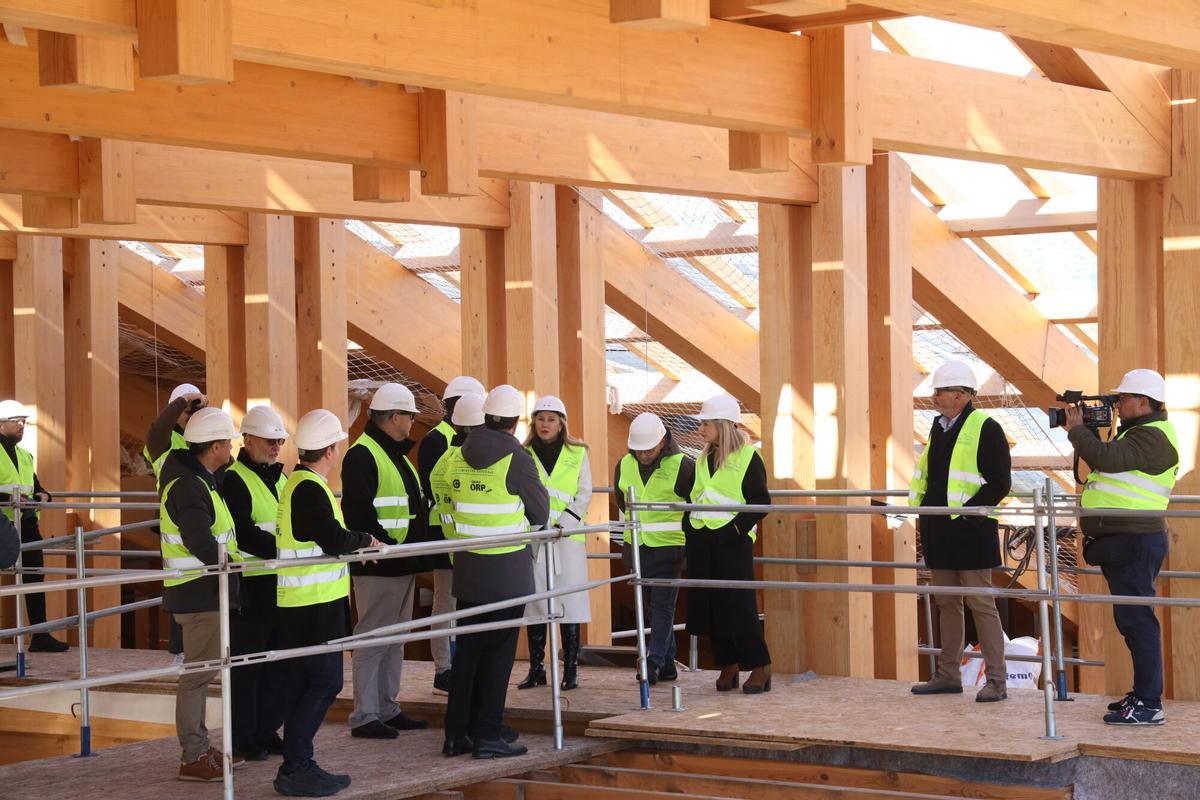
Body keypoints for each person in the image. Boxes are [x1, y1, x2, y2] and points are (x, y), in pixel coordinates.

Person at [274, 409, 384, 797]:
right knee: (325, 682)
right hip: (312, 605)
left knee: (305, 684)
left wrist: (356, 542)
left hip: (306, 602)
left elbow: (328, 536)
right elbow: (332, 538)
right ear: (332, 450)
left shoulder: (301, 483)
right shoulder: (308, 488)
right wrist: (365, 542)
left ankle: (297, 763)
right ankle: (296, 766)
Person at [442, 385, 548, 759]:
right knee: (499, 657)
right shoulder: (517, 459)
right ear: (516, 423)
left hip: (469, 569)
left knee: (468, 654)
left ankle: (456, 734)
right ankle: (487, 735)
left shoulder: (458, 454)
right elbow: (540, 512)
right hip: (506, 572)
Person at [1067, 368, 1177, 726]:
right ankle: (1142, 695)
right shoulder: (1140, 434)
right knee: (1131, 620)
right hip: (1128, 540)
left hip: (1136, 540)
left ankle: (1149, 703)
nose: (1116, 405)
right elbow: (1110, 460)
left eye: (1121, 399)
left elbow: (1106, 459)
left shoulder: (1151, 437)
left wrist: (1078, 431)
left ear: (1142, 402)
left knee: (1138, 621)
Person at [909, 359, 1012, 704]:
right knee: (947, 603)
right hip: (940, 531)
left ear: (959, 395)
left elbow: (999, 482)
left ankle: (997, 681)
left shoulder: (986, 427)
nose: (934, 396)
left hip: (971, 532)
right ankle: (948, 674)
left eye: (939, 391)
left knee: (981, 604)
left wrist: (967, 515)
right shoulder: (939, 428)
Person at [157, 407, 246, 781]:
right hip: (199, 594)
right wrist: (230, 566)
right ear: (213, 446)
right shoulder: (191, 485)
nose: (231, 448)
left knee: (200, 673)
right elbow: (200, 540)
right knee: (196, 676)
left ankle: (198, 749)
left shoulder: (196, 479)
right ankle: (193, 755)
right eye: (227, 442)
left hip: (197, 592)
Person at [342, 383, 429, 739]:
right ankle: (365, 715)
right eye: (409, 415)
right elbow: (359, 514)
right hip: (379, 564)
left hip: (399, 562)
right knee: (373, 637)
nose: (412, 422)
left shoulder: (392, 454)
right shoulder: (363, 455)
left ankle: (386, 707)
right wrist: (389, 547)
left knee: (395, 638)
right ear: (394, 417)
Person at [685, 393, 772, 694]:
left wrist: (735, 529)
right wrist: (690, 526)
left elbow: (760, 501)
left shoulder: (749, 456)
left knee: (739, 605)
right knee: (711, 605)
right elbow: (698, 496)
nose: (701, 429)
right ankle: (728, 664)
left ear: (722, 424)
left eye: (706, 423)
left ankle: (760, 666)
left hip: (731, 542)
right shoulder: (701, 457)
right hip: (702, 538)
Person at [222, 405, 290, 761]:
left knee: (277, 664)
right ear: (247, 440)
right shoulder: (234, 480)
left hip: (279, 584)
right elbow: (245, 535)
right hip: (251, 586)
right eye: (269, 441)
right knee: (248, 668)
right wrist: (286, 548)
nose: (276, 446)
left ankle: (266, 730)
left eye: (279, 440)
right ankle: (244, 738)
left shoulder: (280, 478)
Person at [417, 375, 486, 695]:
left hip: (466, 535)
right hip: (445, 535)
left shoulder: (469, 438)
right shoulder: (438, 440)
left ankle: (462, 667)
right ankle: (444, 669)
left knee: (464, 603)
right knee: (445, 604)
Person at [519, 395, 592, 692]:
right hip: (536, 536)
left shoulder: (578, 452)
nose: (545, 424)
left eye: (551, 419)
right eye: (540, 418)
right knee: (535, 604)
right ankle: (537, 668)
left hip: (568, 538)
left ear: (561, 423)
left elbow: (584, 493)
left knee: (569, 603)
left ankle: (570, 670)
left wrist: (566, 523)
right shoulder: (522, 453)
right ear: (534, 422)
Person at [615, 412, 694, 685]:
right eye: (639, 450)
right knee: (650, 606)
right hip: (637, 547)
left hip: (670, 548)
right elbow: (622, 504)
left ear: (662, 441)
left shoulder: (683, 465)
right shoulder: (624, 464)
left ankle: (654, 661)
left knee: (662, 606)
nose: (644, 455)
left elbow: (693, 509)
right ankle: (669, 663)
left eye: (649, 449)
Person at [145, 382, 207, 662]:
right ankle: (179, 650)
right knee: (178, 582)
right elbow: (158, 428)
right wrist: (183, 402)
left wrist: (204, 409)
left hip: (204, 511)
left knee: (208, 582)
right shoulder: (163, 442)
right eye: (184, 409)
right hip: (174, 518)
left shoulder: (200, 439)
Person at [0, 399, 68, 653]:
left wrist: (43, 495)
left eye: (24, 422)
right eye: (16, 421)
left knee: (34, 576)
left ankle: (40, 635)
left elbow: (35, 486)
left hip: (26, 525)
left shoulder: (24, 455)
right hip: (2, 526)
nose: (22, 425)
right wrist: (7, 500)